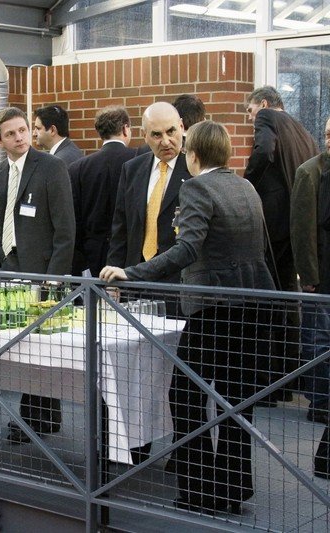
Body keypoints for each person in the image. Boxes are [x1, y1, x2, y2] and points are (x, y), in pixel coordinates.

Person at [100, 120, 275, 514]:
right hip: (251, 306)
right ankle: (233, 487)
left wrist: (132, 272)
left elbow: (187, 249)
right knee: (235, 400)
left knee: (184, 394)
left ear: (193, 154)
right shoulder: (245, 186)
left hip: (212, 308)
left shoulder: (196, 187)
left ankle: (198, 490)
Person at [0, 107, 75, 443]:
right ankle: (42, 418)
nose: (20, 137)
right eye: (10, 134)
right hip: (10, 265)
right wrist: (2, 258)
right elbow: (0, 218)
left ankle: (35, 419)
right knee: (23, 347)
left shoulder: (51, 167)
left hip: (44, 271)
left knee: (42, 348)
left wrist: (55, 279)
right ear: (0, 141)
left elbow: (65, 229)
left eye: (23, 130)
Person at [245, 86, 318, 401]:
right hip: (294, 223)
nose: (251, 119)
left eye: (250, 112)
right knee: (289, 302)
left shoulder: (267, 117)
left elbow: (263, 151)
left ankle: (268, 382)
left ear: (263, 104)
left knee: (268, 300)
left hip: (273, 223)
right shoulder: (302, 130)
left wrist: (246, 183)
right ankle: (288, 379)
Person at [106, 102, 191, 312]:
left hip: (178, 286)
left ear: (181, 126)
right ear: (144, 135)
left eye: (171, 131)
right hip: (134, 283)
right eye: (156, 135)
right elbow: (120, 229)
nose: (166, 141)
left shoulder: (194, 170)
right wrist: (113, 278)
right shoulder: (132, 169)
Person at [291, 116, 330, 427]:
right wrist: (309, 277)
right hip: (321, 276)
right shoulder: (310, 172)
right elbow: (303, 232)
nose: (329, 140)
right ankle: (320, 402)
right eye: (328, 134)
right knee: (318, 340)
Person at [69, 106, 136, 276]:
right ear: (125, 128)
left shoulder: (77, 168)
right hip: (131, 253)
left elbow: (74, 219)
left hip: (91, 254)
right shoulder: (140, 161)